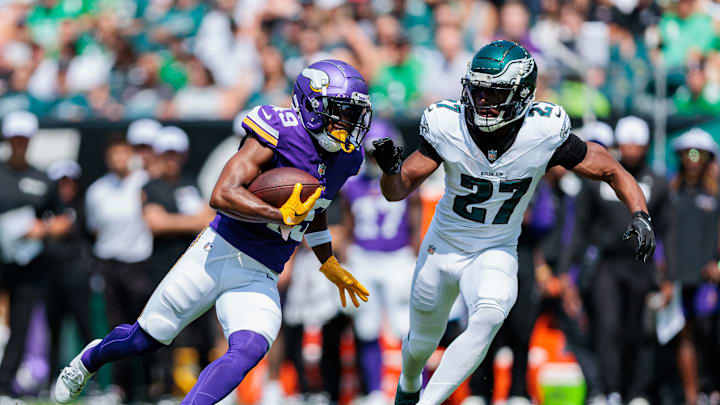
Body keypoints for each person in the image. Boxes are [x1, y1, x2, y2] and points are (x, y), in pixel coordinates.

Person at [54, 59, 373, 405]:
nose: (348, 124)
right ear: (311, 106)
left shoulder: (346, 158)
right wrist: (277, 214)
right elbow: (222, 194)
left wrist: (328, 261)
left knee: (251, 347)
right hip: (217, 251)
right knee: (146, 337)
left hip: (262, 271)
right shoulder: (280, 130)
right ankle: (90, 359)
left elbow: (315, 208)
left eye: (353, 115)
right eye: (341, 112)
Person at [368, 40, 656, 405]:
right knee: (420, 345)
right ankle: (409, 384)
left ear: (521, 95)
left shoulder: (543, 132)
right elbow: (396, 192)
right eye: (477, 90)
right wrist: (390, 172)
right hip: (443, 246)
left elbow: (612, 169)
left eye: (493, 93)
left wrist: (640, 213)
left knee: (489, 316)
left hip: (495, 248)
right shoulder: (447, 123)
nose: (481, 100)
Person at [571, 116, 670, 404]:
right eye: (626, 144)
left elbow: (667, 230)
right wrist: (568, 271)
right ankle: (610, 389)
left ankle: (636, 391)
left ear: (646, 147)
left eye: (637, 145)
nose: (631, 150)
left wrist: (668, 274)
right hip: (607, 265)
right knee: (608, 325)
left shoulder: (658, 183)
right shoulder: (598, 180)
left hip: (641, 265)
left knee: (636, 329)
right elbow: (579, 228)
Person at [341, 119, 421, 405]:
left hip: (397, 257)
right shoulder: (352, 184)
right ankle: (375, 391)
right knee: (366, 325)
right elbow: (348, 225)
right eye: (371, 153)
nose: (375, 159)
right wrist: (346, 252)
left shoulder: (404, 180)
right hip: (363, 257)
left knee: (406, 326)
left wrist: (413, 253)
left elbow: (415, 223)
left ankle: (415, 388)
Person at [141, 126, 216, 399]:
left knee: (203, 332)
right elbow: (155, 223)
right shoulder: (151, 186)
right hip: (163, 267)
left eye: (175, 153)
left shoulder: (192, 184)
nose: (171, 159)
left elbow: (208, 220)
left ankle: (208, 389)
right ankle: (163, 388)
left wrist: (174, 221)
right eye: (167, 153)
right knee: (163, 327)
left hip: (196, 266)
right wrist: (191, 221)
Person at [83, 134, 154, 401]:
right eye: (114, 154)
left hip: (139, 264)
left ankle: (149, 386)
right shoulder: (97, 190)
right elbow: (94, 228)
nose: (119, 159)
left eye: (123, 153)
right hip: (109, 264)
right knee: (115, 327)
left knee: (146, 326)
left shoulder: (145, 182)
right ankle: (119, 388)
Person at [0, 111, 67, 396]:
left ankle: (5, 386)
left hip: (28, 263)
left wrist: (44, 228)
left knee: (21, 323)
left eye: (24, 138)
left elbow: (63, 218)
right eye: (15, 138)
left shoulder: (42, 178)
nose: (19, 143)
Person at [666, 128, 720, 405]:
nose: (694, 159)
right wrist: (664, 273)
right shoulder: (671, 193)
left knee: (709, 331)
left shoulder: (715, 195)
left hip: (707, 278)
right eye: (689, 154)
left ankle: (712, 388)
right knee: (683, 333)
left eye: (700, 154)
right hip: (678, 275)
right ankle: (691, 395)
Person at [43, 159, 94, 382]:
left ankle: (91, 381)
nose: (65, 187)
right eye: (61, 183)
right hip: (51, 276)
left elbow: (67, 227)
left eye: (70, 182)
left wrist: (47, 228)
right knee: (53, 329)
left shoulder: (83, 207)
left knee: (84, 326)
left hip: (77, 275)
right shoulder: (45, 207)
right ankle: (52, 380)